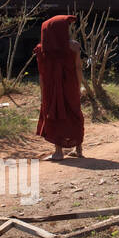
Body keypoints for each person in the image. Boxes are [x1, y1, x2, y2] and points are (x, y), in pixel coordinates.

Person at [34, 15, 85, 160]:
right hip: (71, 86)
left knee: (55, 115)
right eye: (66, 28)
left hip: (52, 89)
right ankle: (79, 149)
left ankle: (58, 152)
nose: (68, 31)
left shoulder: (42, 50)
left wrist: (43, 93)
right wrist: (78, 87)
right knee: (75, 113)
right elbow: (78, 68)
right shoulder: (74, 46)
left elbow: (42, 74)